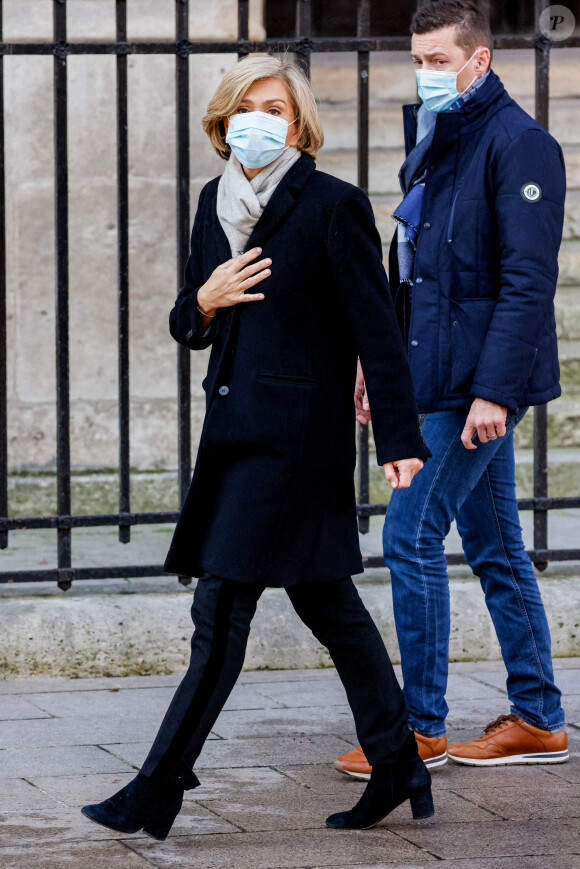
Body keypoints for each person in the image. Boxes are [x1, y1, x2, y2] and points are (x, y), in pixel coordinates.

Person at [81, 52, 433, 841]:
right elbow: (189, 322)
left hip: (296, 445)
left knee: (221, 611)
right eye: (247, 103)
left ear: (298, 121)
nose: (260, 117)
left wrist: (399, 438)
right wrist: (201, 302)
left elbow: (376, 328)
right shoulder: (216, 201)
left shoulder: (333, 205)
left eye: (275, 105)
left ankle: (156, 787)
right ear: (222, 117)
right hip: (235, 436)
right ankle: (397, 758)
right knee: (329, 603)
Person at [335, 0, 568, 781]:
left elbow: (529, 282)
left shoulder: (521, 145)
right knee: (499, 545)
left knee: (409, 534)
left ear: (482, 59)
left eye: (441, 60)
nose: (428, 73)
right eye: (420, 59)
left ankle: (419, 729)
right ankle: (537, 716)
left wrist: (496, 393)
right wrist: (380, 366)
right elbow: (411, 270)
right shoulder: (436, 135)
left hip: (477, 387)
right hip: (431, 375)